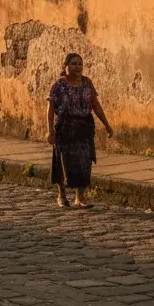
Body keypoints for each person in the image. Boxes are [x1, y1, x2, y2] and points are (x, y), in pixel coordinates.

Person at [47, 53, 113, 208]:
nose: (78, 67)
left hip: (84, 127)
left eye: (80, 64)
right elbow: (50, 108)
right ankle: (61, 195)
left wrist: (107, 124)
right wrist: (50, 130)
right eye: (74, 64)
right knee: (63, 161)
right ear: (66, 66)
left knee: (84, 161)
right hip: (65, 127)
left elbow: (95, 105)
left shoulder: (87, 83)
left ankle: (80, 198)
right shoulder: (59, 85)